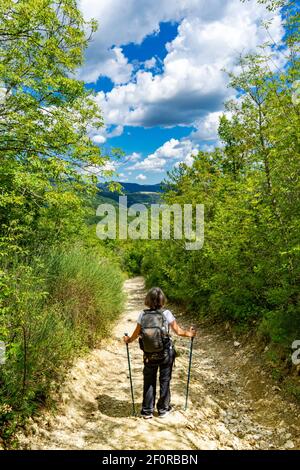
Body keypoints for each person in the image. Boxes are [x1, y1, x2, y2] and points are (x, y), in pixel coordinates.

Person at [123, 287, 196, 419]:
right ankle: (163, 409)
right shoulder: (166, 314)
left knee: (149, 380)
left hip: (149, 354)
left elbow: (135, 334)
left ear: (148, 300)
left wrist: (128, 340)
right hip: (165, 354)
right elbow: (179, 332)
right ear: (162, 300)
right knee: (165, 380)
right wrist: (190, 333)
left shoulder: (143, 315)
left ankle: (147, 411)